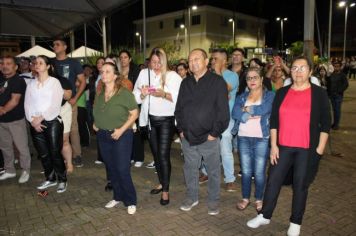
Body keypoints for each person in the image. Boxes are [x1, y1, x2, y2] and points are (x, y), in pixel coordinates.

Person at [247, 56, 331, 236]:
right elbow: (274, 121)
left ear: (310, 71)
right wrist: (274, 145)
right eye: (294, 68)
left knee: (300, 185)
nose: (298, 71)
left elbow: (326, 123)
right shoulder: (282, 92)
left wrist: (319, 149)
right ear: (289, 71)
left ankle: (295, 222)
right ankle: (265, 215)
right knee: (273, 181)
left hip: (307, 149)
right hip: (283, 147)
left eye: (302, 68)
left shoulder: (319, 93)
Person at [175, 48, 229, 215]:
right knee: (190, 169)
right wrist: (181, 130)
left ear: (206, 62)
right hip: (188, 137)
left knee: (213, 171)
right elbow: (179, 109)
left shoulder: (217, 82)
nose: (193, 63)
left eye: (197, 59)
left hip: (209, 138)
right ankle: (192, 197)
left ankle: (213, 200)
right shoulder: (186, 83)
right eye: (190, 60)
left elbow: (223, 112)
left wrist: (214, 133)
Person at [133, 48, 182, 205]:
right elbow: (136, 95)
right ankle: (162, 182)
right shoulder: (143, 74)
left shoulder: (172, 76)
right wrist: (142, 94)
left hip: (166, 120)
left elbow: (179, 98)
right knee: (155, 155)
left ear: (164, 60)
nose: (155, 65)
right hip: (149, 120)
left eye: (159, 62)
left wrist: (163, 94)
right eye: (153, 62)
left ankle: (166, 191)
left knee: (163, 155)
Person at [93, 62, 139, 215]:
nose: (104, 74)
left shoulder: (124, 93)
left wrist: (121, 130)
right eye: (102, 71)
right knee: (111, 168)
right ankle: (117, 196)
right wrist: (95, 123)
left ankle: (131, 200)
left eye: (107, 71)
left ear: (115, 75)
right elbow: (99, 111)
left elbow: (134, 113)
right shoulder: (100, 94)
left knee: (122, 168)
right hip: (103, 135)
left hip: (121, 134)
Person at [231, 67, 274, 211]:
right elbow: (235, 112)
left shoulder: (269, 96)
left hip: (261, 138)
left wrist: (248, 109)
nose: (252, 80)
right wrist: (245, 114)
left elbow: (265, 109)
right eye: (249, 78)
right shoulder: (241, 97)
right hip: (243, 137)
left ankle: (259, 199)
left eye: (255, 77)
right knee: (246, 171)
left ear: (262, 79)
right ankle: (245, 198)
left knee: (259, 172)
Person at [24, 55, 67, 193]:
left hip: (52, 121)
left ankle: (62, 179)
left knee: (55, 152)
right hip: (35, 123)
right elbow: (27, 104)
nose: (37, 65)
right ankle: (50, 178)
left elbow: (55, 104)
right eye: (36, 63)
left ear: (48, 66)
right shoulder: (31, 84)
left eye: (41, 63)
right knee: (43, 154)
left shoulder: (54, 82)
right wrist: (32, 120)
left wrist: (40, 118)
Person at [207, 48, 239, 192]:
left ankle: (229, 179)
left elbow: (225, 89)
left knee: (225, 147)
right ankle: (205, 172)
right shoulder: (208, 75)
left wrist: (218, 72)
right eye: (212, 59)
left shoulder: (232, 75)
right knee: (207, 147)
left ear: (225, 61)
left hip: (227, 118)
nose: (213, 61)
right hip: (210, 118)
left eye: (216, 59)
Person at [52, 37, 86, 167]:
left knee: (73, 129)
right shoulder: (50, 63)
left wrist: (75, 98)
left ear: (65, 47)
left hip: (69, 102)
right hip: (53, 103)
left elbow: (83, 82)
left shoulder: (73, 63)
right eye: (54, 44)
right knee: (56, 129)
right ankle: (60, 156)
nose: (55, 46)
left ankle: (77, 155)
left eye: (57, 44)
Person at [0, 56, 31, 183]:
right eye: (2, 63)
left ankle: (26, 170)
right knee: (5, 147)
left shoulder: (18, 81)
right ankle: (10, 170)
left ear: (15, 67)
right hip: (2, 121)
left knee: (21, 147)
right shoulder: (1, 79)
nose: (4, 66)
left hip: (15, 120)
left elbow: (14, 101)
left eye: (8, 63)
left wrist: (1, 110)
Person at [118, 50, 144, 168]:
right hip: (121, 104)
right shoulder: (117, 72)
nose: (123, 59)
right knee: (126, 130)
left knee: (135, 131)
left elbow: (139, 87)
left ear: (130, 59)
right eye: (121, 57)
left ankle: (139, 157)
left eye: (125, 57)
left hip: (133, 103)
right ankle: (131, 156)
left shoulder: (136, 71)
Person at [326, 61, 349, 130]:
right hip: (332, 95)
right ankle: (335, 123)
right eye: (335, 66)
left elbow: (346, 85)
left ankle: (336, 124)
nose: (336, 68)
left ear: (340, 67)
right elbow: (329, 84)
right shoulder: (332, 74)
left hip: (338, 95)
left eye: (337, 66)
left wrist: (339, 91)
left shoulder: (342, 75)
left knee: (337, 110)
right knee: (334, 110)